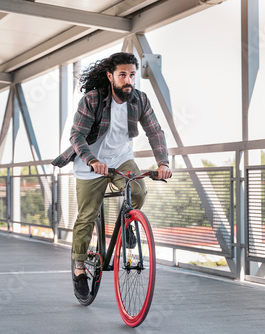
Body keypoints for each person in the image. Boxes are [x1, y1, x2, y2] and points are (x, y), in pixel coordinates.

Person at [51, 52, 172, 298]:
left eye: (132, 75)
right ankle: (78, 269)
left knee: (137, 190)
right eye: (123, 75)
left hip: (120, 158)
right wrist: (92, 160)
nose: (128, 80)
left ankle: (128, 225)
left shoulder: (140, 100)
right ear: (110, 76)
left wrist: (163, 162)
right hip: (90, 162)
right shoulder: (93, 99)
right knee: (86, 216)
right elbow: (77, 136)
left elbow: (155, 132)